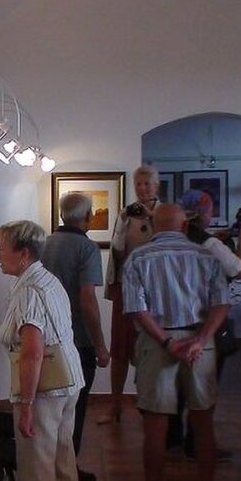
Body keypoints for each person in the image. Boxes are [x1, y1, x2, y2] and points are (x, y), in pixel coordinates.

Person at [122, 204, 230, 481]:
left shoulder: (138, 258)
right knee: (203, 423)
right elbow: (221, 305)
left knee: (155, 428)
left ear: (153, 227)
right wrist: (201, 339)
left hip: (157, 343)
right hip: (199, 341)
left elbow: (137, 309)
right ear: (184, 227)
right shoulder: (206, 256)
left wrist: (167, 342)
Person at [0, 220, 84, 481]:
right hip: (68, 381)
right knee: (62, 465)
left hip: (44, 390)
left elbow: (32, 352)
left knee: (37, 474)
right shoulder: (48, 280)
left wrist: (27, 405)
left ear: (24, 253)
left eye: (2, 248)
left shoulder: (29, 291)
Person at [165, 190, 241, 461]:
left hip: (170, 321)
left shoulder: (170, 242)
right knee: (203, 387)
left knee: (175, 385)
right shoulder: (210, 244)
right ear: (205, 213)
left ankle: (172, 438)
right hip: (204, 322)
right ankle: (197, 442)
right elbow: (239, 270)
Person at [42, 192, 112, 481]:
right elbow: (87, 301)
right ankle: (68, 468)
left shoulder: (45, 243)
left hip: (44, 335)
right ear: (87, 217)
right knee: (75, 407)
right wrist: (100, 345)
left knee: (48, 408)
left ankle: (47, 467)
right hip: (76, 339)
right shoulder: (87, 248)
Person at [102, 165, 160, 423]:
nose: (142, 188)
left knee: (152, 347)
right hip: (126, 287)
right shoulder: (126, 214)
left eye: (147, 183)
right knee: (120, 347)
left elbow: (166, 241)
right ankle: (115, 406)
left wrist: (152, 217)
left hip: (154, 291)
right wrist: (124, 220)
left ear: (156, 186)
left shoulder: (164, 213)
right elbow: (116, 251)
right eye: (139, 184)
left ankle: (152, 404)